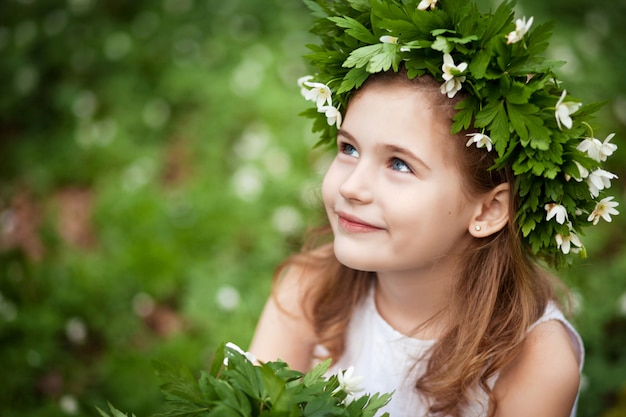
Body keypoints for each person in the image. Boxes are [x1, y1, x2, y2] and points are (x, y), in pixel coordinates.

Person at [249, 1, 619, 416]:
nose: (351, 187)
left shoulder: (534, 361)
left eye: (399, 164)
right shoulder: (308, 291)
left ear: (487, 211)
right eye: (349, 148)